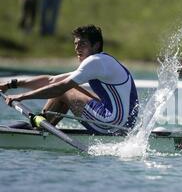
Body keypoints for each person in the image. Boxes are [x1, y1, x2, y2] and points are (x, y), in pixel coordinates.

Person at [0, 25, 139, 134]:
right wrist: (11, 85)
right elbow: (51, 80)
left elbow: (60, 88)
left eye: (82, 44)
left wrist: (21, 97)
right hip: (124, 125)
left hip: (113, 125)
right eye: (76, 44)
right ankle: (42, 125)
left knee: (65, 90)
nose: (77, 48)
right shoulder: (101, 61)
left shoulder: (94, 61)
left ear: (96, 45)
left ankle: (39, 130)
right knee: (70, 87)